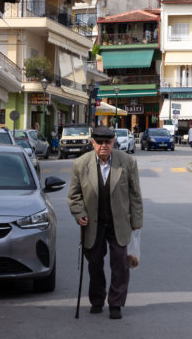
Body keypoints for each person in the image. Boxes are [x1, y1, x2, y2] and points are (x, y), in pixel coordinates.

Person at [68, 126, 143, 320]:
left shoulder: (127, 162)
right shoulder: (80, 164)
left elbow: (135, 195)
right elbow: (74, 195)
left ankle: (116, 303)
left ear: (113, 142)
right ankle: (97, 299)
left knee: (120, 264)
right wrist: (79, 213)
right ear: (92, 143)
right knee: (94, 264)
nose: (103, 146)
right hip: (93, 224)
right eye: (99, 142)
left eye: (107, 142)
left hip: (119, 223)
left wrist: (136, 220)